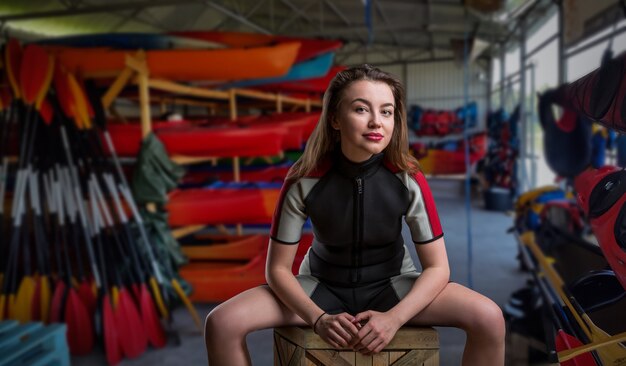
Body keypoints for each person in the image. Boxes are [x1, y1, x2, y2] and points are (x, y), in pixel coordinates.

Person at [205, 64, 505, 366]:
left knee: (488, 317)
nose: (376, 122)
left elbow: (438, 268)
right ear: (335, 118)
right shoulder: (304, 179)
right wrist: (317, 318)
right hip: (320, 287)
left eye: (386, 112)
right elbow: (278, 270)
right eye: (361, 109)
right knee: (222, 323)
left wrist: (394, 319)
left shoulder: (408, 177)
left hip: (392, 286)